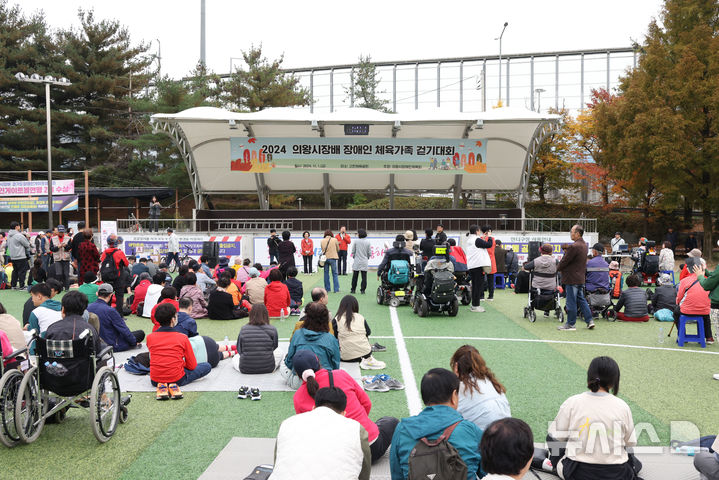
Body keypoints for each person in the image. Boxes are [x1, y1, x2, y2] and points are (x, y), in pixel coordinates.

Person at [292, 349, 397, 462]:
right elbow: (366, 403)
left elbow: (306, 430)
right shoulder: (340, 375)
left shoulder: (298, 397)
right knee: (390, 422)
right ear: (318, 362)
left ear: (298, 374)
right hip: (367, 447)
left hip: (333, 455)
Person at [548, 356, 637, 479]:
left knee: (554, 440)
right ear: (614, 382)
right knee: (631, 456)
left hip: (577, 473)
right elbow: (630, 442)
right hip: (617, 474)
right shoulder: (623, 406)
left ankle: (549, 463)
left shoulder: (572, 402)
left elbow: (556, 437)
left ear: (589, 378)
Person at [390, 368, 484, 480]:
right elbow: (488, 471)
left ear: (425, 398)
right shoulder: (470, 430)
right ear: (454, 396)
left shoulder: (402, 429)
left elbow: (397, 475)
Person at [272, 381, 371, 480]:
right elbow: (364, 473)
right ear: (343, 413)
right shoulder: (356, 429)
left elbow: (277, 464)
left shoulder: (287, 423)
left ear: (314, 408)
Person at [147, 303, 211, 399]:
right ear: (173, 319)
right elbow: (192, 365)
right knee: (206, 366)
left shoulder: (150, 337)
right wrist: (180, 363)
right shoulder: (182, 337)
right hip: (177, 378)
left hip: (155, 380)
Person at [450, 345, 510, 431]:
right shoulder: (492, 382)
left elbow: (447, 418)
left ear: (456, 367)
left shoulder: (460, 389)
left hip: (483, 440)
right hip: (508, 434)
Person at [283, 302, 340, 387]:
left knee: (283, 359)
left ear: (307, 317)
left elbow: (289, 362)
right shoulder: (331, 339)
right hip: (324, 382)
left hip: (299, 381)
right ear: (326, 319)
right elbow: (336, 366)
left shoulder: (297, 334)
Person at [557, 225, 595, 331]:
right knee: (581, 300)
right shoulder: (584, 245)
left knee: (571, 301)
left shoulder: (574, 246)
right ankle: (589, 320)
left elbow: (565, 260)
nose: (571, 234)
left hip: (571, 278)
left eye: (572, 232)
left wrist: (557, 268)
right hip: (580, 278)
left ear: (577, 233)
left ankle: (570, 324)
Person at [331, 295, 385, 370]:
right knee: (364, 335)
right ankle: (366, 359)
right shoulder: (360, 317)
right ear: (355, 306)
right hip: (365, 354)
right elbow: (368, 332)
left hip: (345, 358)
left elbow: (333, 337)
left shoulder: (336, 319)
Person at [88, 283, 144, 352]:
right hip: (111, 344)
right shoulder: (110, 310)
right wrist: (134, 343)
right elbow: (123, 329)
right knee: (140, 334)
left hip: (93, 344)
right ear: (111, 295)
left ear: (97, 293)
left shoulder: (87, 307)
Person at [235, 304, 279, 374]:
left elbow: (239, 349)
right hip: (268, 368)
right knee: (280, 352)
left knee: (235, 357)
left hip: (245, 368)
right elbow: (274, 347)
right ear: (266, 315)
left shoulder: (244, 329)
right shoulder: (272, 329)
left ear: (251, 314)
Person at [679, 261, 713, 344]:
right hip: (705, 310)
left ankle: (682, 334)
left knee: (676, 313)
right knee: (706, 315)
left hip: (687, 310)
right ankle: (709, 337)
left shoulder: (684, 281)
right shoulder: (708, 281)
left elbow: (679, 297)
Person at [466, 224, 493, 313]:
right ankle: (475, 306)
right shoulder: (476, 240)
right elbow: (489, 244)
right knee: (478, 286)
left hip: (473, 265)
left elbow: (480, 242)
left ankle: (474, 305)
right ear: (477, 231)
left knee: (475, 286)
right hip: (477, 266)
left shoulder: (471, 239)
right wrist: (489, 237)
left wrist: (484, 237)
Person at [100, 234, 129, 315]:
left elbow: (102, 262)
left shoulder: (105, 252)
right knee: (119, 296)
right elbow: (126, 264)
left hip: (107, 277)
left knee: (107, 295)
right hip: (118, 277)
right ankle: (119, 315)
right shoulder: (119, 252)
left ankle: (107, 313)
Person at [8, 221, 31, 289]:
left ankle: (13, 285)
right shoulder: (19, 235)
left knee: (15, 271)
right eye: (19, 226)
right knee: (22, 271)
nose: (20, 227)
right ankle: (22, 286)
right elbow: (26, 244)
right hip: (21, 256)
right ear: (16, 227)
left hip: (13, 256)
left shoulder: (8, 235)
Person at [49, 225, 71, 290]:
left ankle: (67, 287)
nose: (61, 233)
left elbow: (70, 247)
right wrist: (58, 247)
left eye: (62, 232)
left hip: (66, 258)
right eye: (60, 232)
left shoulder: (68, 238)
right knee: (59, 274)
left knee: (66, 274)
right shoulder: (53, 238)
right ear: (57, 232)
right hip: (57, 258)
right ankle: (59, 288)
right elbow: (51, 249)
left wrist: (65, 246)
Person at [351, 228, 370, 294]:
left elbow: (353, 251)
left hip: (357, 260)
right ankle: (363, 290)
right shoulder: (368, 242)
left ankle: (353, 289)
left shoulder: (356, 241)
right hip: (364, 261)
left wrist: (354, 256)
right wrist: (367, 257)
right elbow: (369, 252)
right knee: (364, 276)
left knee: (355, 276)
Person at [481, 226, 497, 302]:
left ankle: (482, 296)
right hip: (490, 261)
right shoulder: (492, 239)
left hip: (483, 261)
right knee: (491, 280)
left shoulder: (480, 239)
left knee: (481, 279)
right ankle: (491, 296)